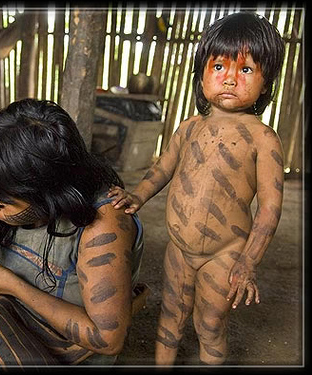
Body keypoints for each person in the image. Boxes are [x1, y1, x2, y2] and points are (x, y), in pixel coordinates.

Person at [0, 99, 145, 365]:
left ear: (48, 194)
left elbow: (107, 339)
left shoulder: (104, 224)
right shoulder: (11, 195)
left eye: (3, 202)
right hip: (4, 323)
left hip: (63, 354)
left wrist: (13, 287)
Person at [108, 12, 285, 365]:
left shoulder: (263, 139)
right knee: (170, 317)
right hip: (179, 248)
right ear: (201, 73)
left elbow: (269, 207)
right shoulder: (189, 128)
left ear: (266, 84)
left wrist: (248, 261)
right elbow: (163, 169)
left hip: (225, 253)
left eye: (246, 70)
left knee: (210, 324)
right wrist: (138, 195)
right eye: (219, 66)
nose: (231, 78)